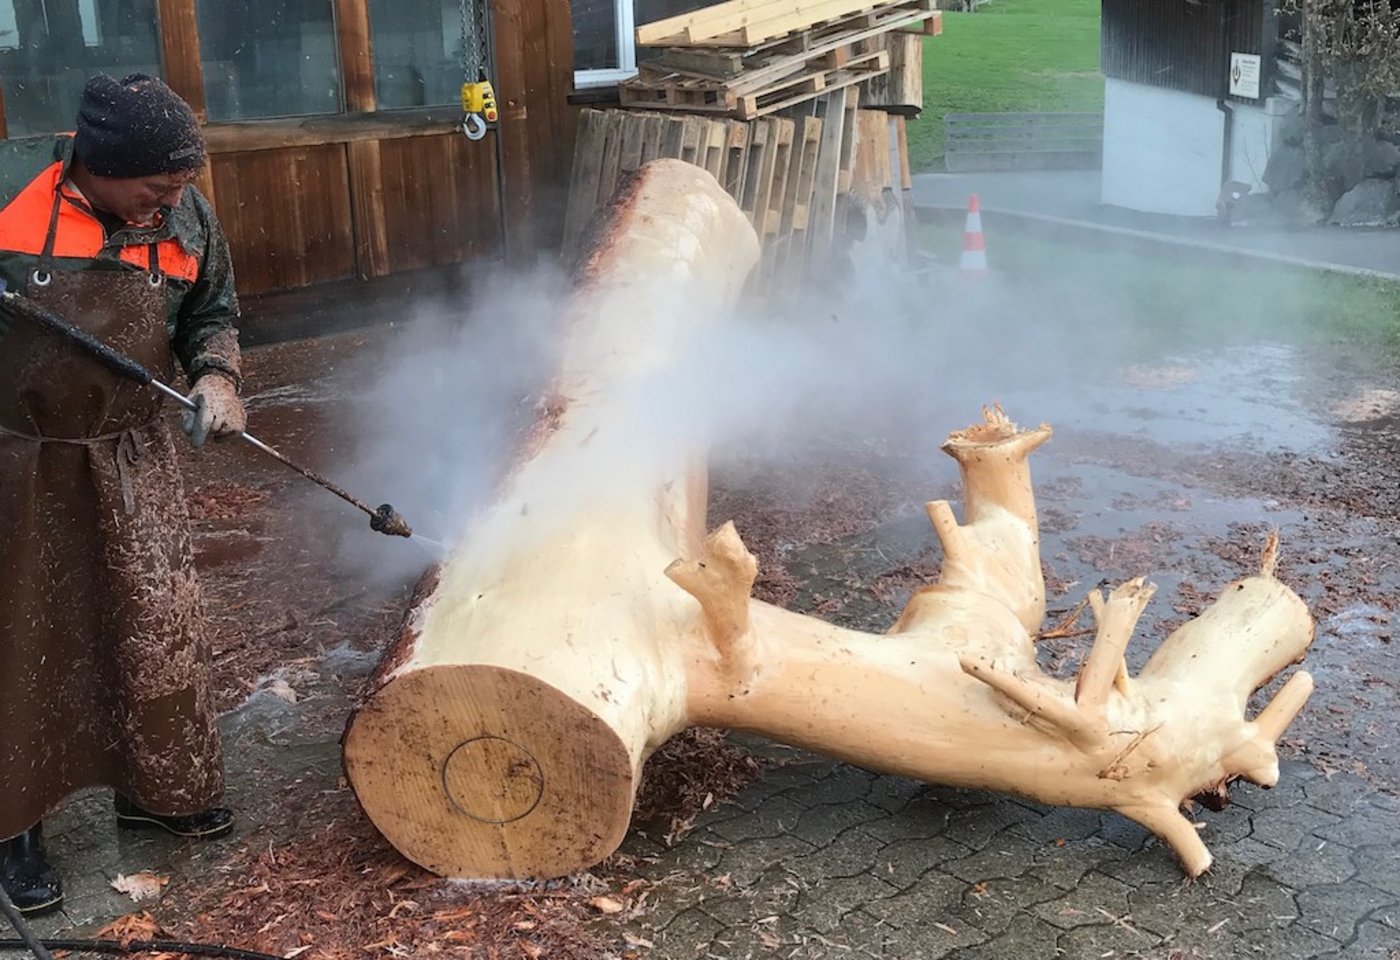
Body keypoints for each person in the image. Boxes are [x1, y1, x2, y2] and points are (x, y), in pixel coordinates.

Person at [0, 73, 246, 916]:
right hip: (22, 459)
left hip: (133, 452)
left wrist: (217, 375)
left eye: (180, 185)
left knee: (152, 625)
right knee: (25, 641)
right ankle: (13, 827)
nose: (169, 202)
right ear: (98, 168)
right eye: (155, 186)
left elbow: (211, 311)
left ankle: (158, 788)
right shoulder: (13, 197)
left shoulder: (185, 214)